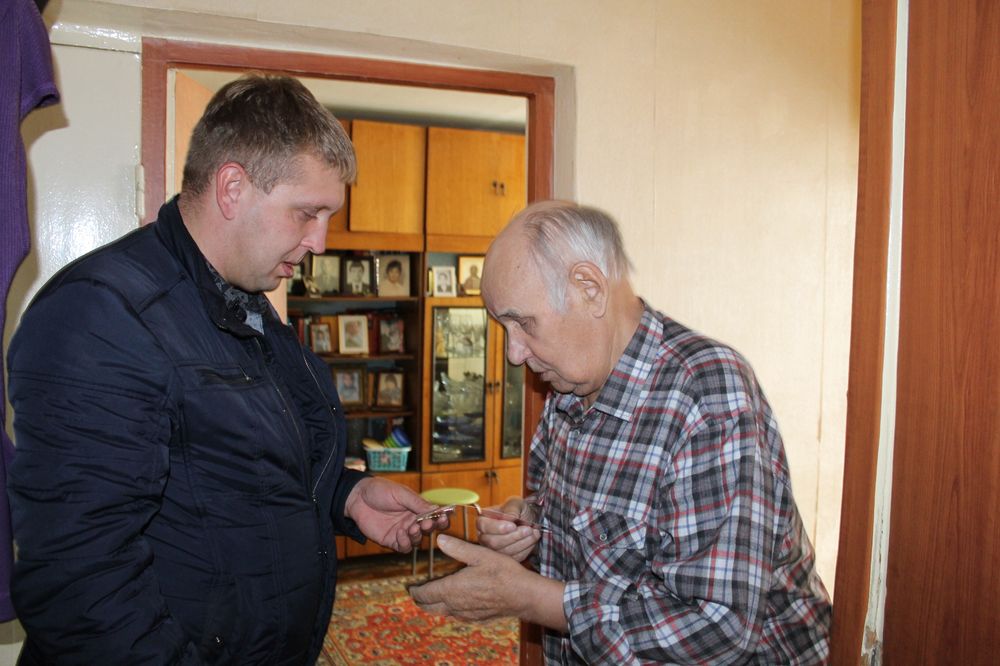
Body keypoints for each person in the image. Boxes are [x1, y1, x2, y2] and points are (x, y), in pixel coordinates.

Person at [5, 74, 446, 665]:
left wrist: (346, 496)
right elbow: (82, 582)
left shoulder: (242, 300)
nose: (320, 241)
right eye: (306, 213)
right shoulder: (104, 313)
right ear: (232, 187)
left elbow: (232, 469)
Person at [410, 200, 831, 664]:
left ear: (589, 288)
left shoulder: (706, 393)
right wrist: (527, 521)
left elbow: (718, 628)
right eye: (503, 327)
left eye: (524, 323)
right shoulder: (567, 390)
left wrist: (533, 599)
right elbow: (588, 527)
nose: (514, 354)